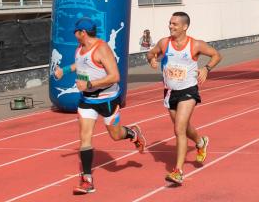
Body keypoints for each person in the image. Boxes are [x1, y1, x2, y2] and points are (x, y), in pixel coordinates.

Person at [53, 17, 146, 195]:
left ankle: (132, 133)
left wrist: (90, 84)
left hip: (108, 99)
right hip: (87, 100)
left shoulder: (102, 49)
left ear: (83, 33)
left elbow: (115, 76)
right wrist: (63, 71)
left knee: (116, 135)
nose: (74, 33)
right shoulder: (80, 48)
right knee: (84, 137)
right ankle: (87, 180)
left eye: (76, 31)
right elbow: (80, 64)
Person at [146, 12, 222, 185]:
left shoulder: (195, 45)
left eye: (175, 24)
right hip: (169, 92)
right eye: (170, 23)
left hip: (188, 90)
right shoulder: (164, 43)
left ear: (184, 27)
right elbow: (151, 54)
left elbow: (217, 55)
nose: (171, 26)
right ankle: (200, 142)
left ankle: (178, 171)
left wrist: (206, 69)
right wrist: (152, 60)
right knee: (184, 126)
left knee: (179, 129)